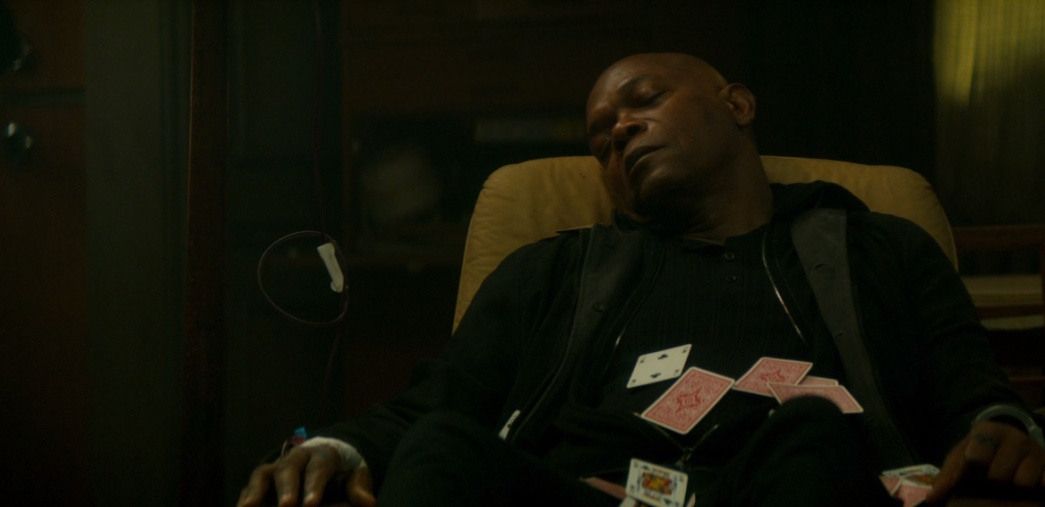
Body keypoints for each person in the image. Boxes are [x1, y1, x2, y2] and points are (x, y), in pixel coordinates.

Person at [239, 53, 1045, 507]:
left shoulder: (881, 248)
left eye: (643, 101)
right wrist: (331, 445)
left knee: (811, 428)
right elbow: (434, 403)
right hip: (585, 489)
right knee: (442, 449)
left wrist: (1005, 426)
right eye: (600, 139)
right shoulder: (551, 269)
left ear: (737, 104)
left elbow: (976, 393)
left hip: (785, 484)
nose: (619, 129)